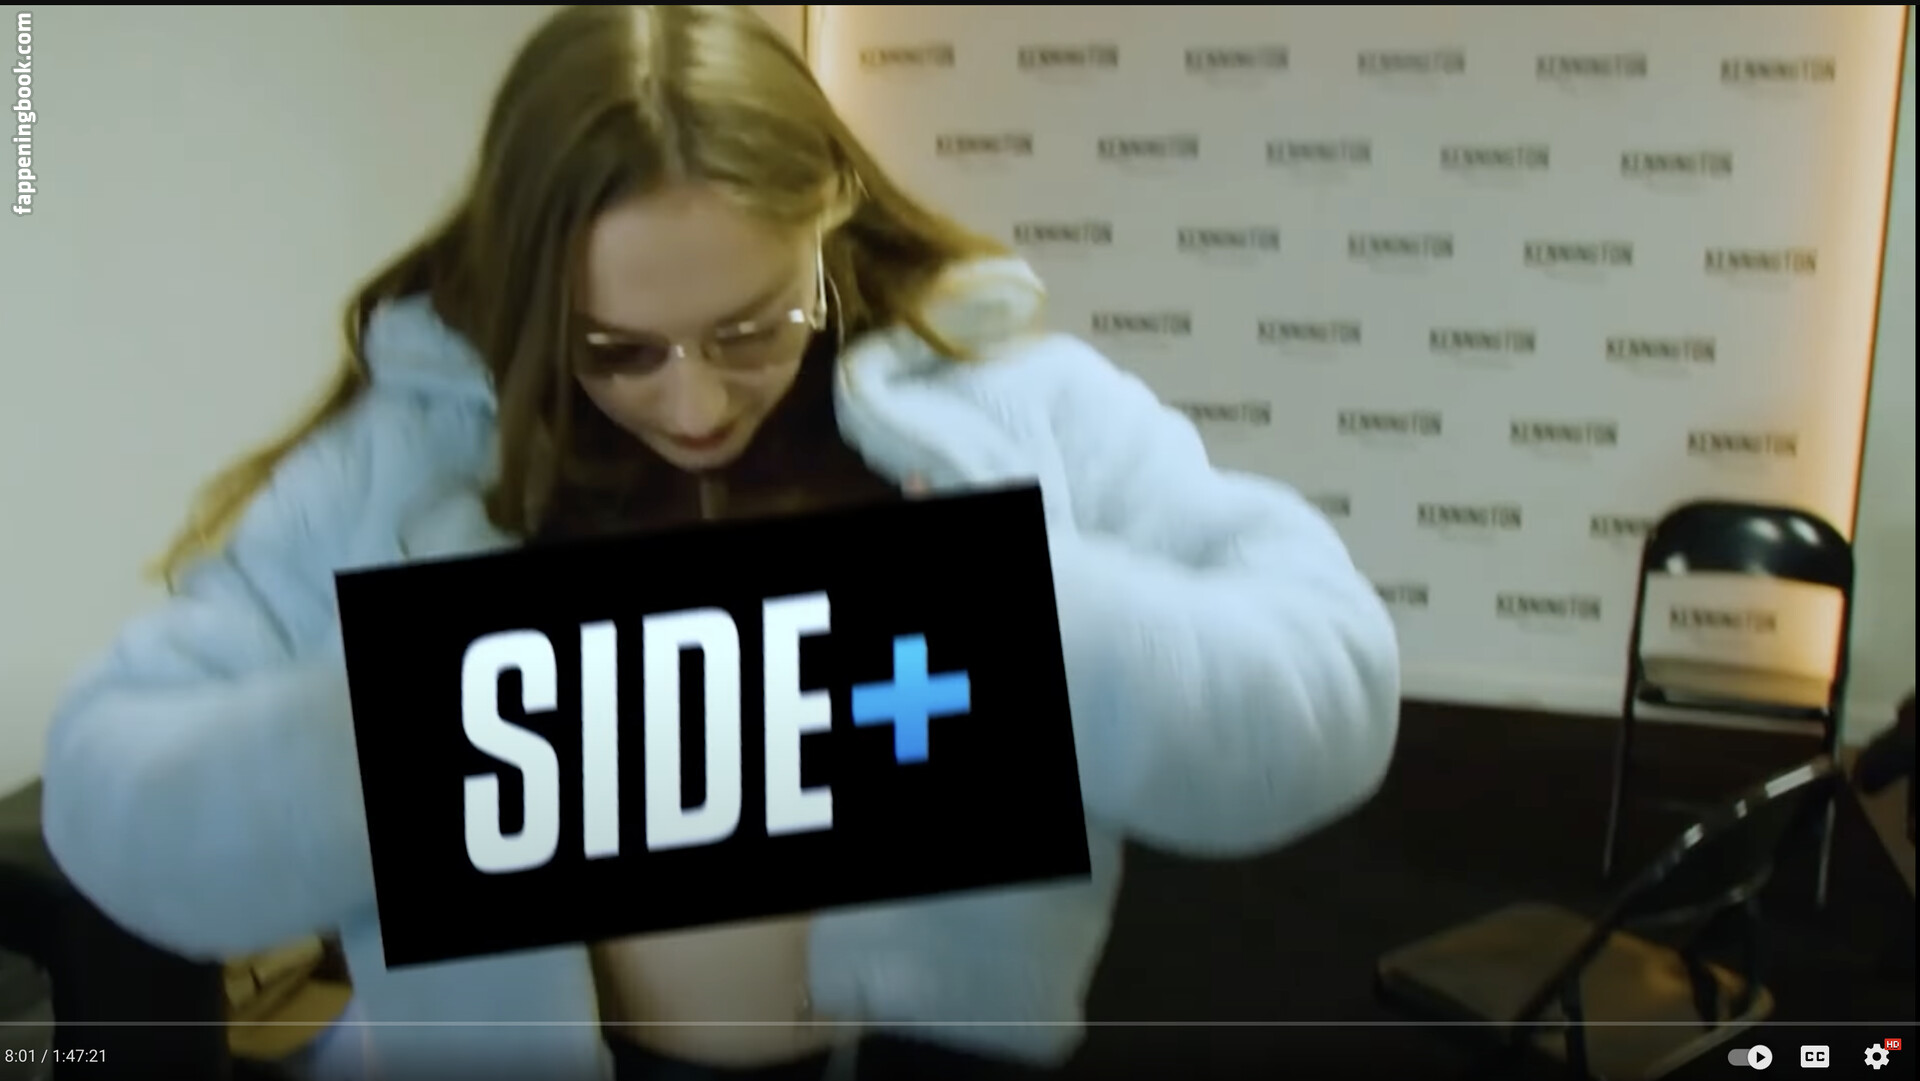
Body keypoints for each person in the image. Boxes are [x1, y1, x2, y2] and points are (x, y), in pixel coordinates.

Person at [38, 6, 1401, 1081]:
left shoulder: (1014, 408)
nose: (694, 405)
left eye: (751, 329)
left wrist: (1018, 623)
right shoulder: (399, 465)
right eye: (616, 351)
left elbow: (1328, 682)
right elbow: (110, 785)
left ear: (827, 215)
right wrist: (400, 742)